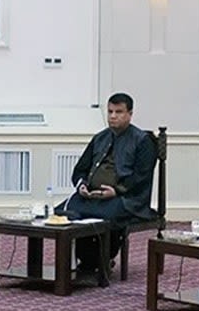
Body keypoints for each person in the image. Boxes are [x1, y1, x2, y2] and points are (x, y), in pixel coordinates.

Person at [59, 93, 158, 275]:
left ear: (130, 114)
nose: (113, 116)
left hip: (127, 198)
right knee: (64, 212)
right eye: (110, 111)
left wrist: (116, 191)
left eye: (118, 112)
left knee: (103, 216)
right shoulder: (100, 138)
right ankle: (87, 259)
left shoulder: (143, 141)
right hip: (93, 196)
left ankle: (100, 259)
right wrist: (82, 185)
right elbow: (80, 169)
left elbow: (141, 177)